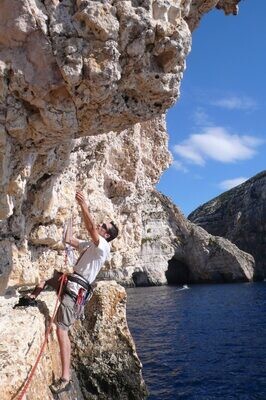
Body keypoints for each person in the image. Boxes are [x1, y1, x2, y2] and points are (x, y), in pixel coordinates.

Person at [17, 191, 119, 395]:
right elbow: (68, 238)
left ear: (107, 234)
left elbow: (90, 228)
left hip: (76, 291)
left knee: (61, 329)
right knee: (46, 276)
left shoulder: (103, 246)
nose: (100, 225)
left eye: (103, 226)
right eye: (101, 224)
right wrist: (70, 215)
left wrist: (84, 206)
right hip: (70, 282)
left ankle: (66, 378)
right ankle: (31, 298)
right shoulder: (92, 245)